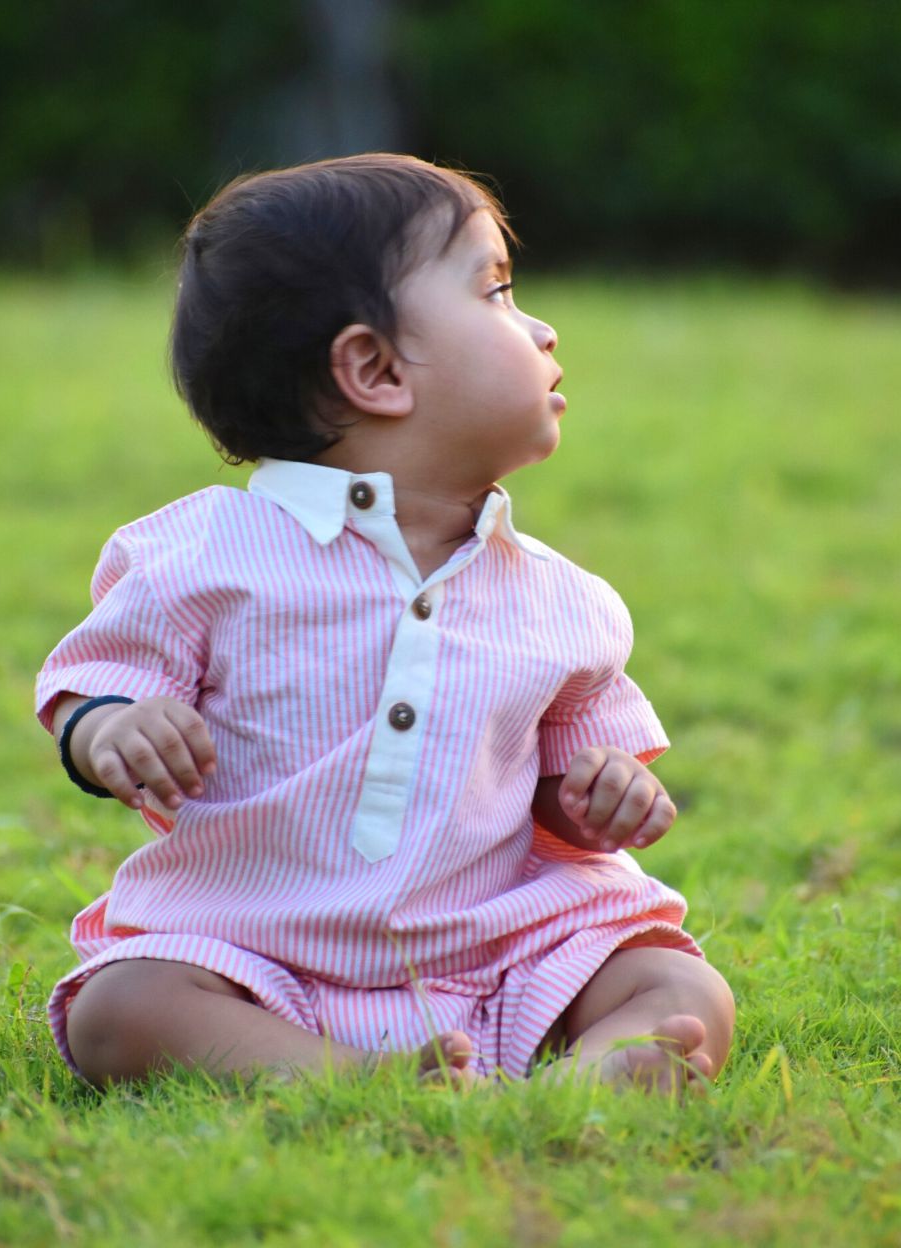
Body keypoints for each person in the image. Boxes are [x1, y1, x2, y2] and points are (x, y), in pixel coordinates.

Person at [37, 154, 734, 1093]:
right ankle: (352, 1077)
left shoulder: (564, 599)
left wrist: (600, 796)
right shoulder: (205, 553)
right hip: (256, 949)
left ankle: (591, 1083)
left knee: (678, 983)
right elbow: (93, 684)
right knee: (121, 1013)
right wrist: (112, 725)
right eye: (496, 292)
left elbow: (562, 797)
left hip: (502, 944)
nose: (542, 326)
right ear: (372, 368)